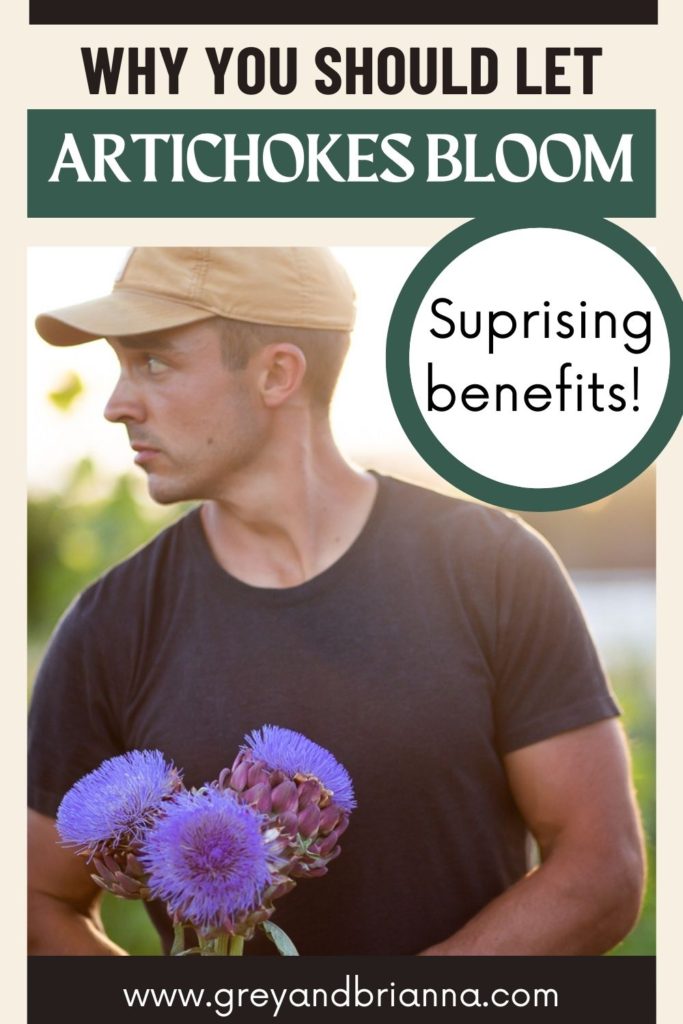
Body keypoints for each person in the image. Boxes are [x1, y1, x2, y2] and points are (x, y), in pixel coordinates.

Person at [28, 247, 645, 957]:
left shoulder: (492, 566)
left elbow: (602, 870)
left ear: (276, 374)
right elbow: (36, 901)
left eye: (153, 363)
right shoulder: (112, 623)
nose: (116, 405)